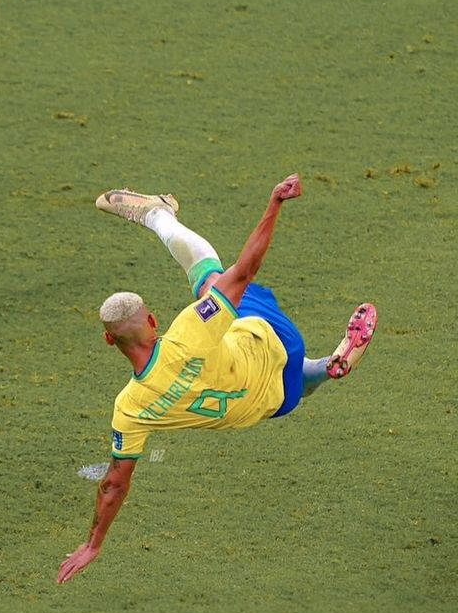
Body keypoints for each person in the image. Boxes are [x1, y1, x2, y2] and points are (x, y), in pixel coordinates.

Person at [57, 179, 377, 584]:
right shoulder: (189, 332)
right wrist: (274, 204)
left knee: (291, 386)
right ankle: (158, 214)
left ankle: (324, 368)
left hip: (271, 404)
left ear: (109, 340)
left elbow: (113, 485)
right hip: (276, 342)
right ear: (153, 322)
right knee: (211, 279)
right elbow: (245, 270)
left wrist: (94, 543)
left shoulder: (130, 411)